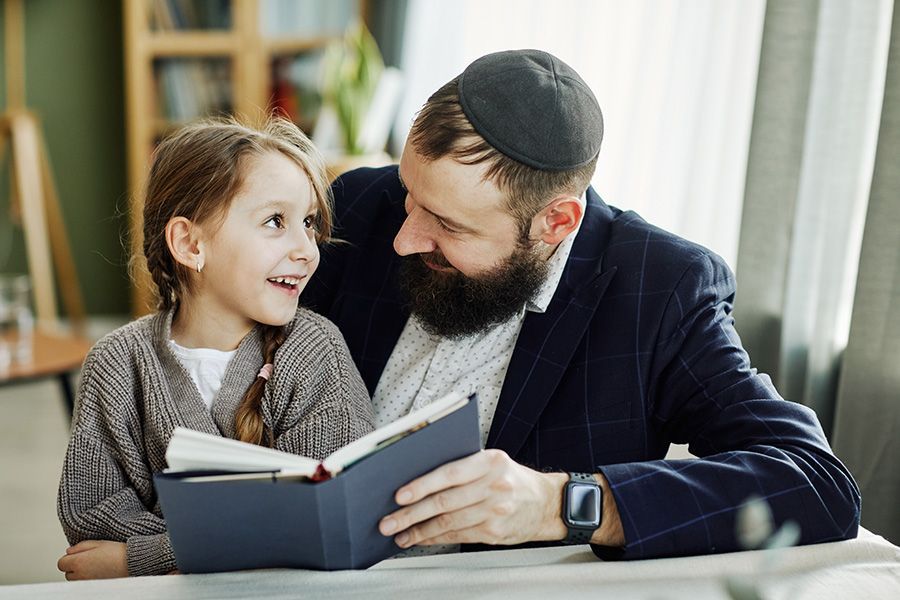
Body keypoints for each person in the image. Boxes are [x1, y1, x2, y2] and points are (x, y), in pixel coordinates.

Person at [301, 49, 861, 559]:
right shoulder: (361, 203)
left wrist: (562, 502)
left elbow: (816, 481)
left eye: (447, 224)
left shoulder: (661, 290)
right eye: (410, 195)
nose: (403, 239)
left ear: (556, 222)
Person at [56, 117, 375, 579]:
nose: (308, 249)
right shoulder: (116, 361)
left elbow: (324, 519)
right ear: (189, 243)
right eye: (274, 221)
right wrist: (238, 542)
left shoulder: (315, 350)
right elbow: (90, 522)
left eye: (307, 223)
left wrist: (143, 558)